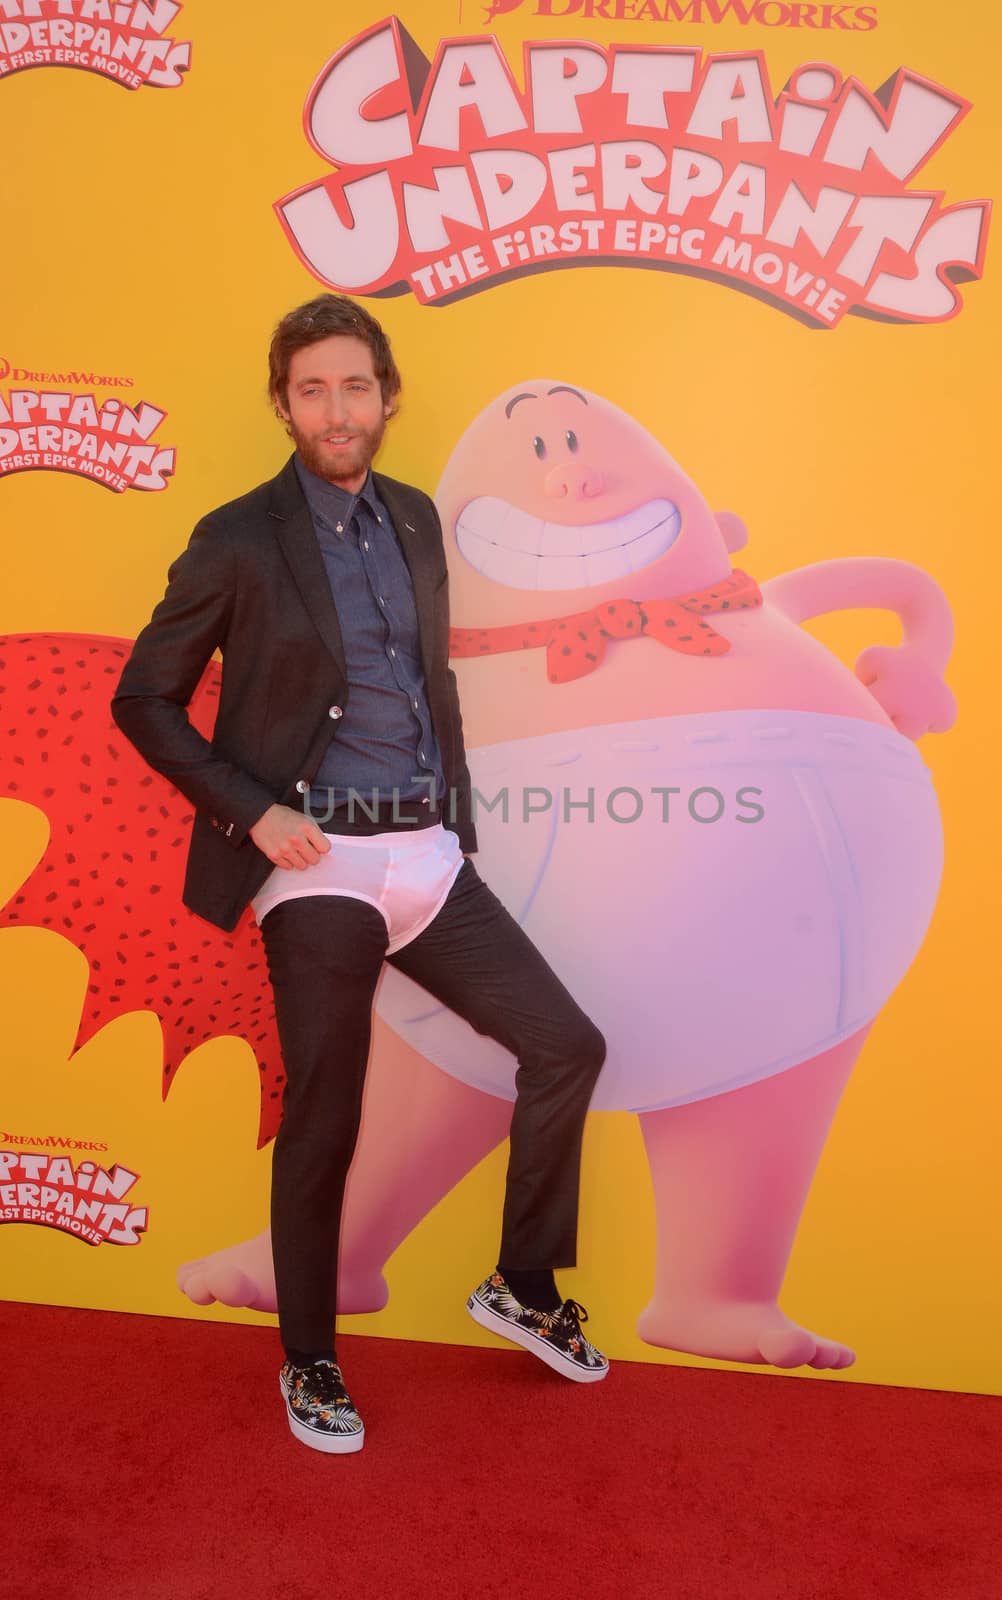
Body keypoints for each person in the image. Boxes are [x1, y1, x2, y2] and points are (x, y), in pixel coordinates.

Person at [111, 294, 609, 1456]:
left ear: (387, 395)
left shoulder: (419, 520)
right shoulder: (239, 536)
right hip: (315, 857)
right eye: (311, 389)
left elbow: (426, 685)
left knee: (566, 1043)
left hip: (424, 852)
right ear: (283, 405)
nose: (336, 409)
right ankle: (311, 1357)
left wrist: (449, 820)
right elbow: (143, 695)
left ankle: (522, 1282)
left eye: (354, 385)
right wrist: (257, 811)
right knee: (328, 1106)